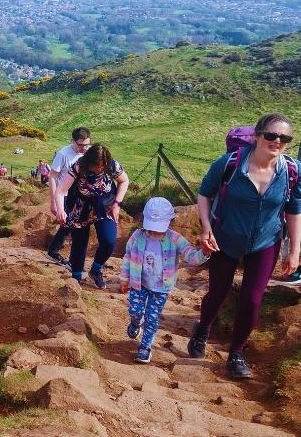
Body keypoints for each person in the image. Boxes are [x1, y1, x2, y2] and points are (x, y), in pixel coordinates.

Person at [188, 113, 300, 380]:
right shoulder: (230, 164)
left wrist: (295, 250)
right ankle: (203, 328)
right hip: (224, 238)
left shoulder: (292, 171)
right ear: (257, 136)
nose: (277, 141)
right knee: (218, 291)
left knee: (251, 300)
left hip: (266, 242)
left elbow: (294, 209)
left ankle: (237, 352)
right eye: (271, 135)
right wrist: (206, 228)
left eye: (284, 138)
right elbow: (204, 193)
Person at [119, 197, 209, 363]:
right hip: (139, 284)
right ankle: (135, 323)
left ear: (169, 222)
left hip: (161, 288)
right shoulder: (138, 236)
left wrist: (204, 253)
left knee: (152, 318)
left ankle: (145, 347)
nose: (156, 231)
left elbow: (190, 256)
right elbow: (128, 257)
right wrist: (124, 278)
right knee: (135, 311)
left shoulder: (174, 239)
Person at [54, 144, 129, 288]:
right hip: (81, 206)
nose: (100, 169)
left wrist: (117, 203)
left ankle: (96, 270)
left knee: (109, 240)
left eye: (102, 166)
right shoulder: (79, 166)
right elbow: (61, 190)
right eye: (96, 166)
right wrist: (61, 209)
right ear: (89, 162)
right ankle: (76, 279)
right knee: (79, 243)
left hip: (104, 205)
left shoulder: (112, 165)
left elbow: (124, 181)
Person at [47, 127, 92, 268]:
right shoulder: (63, 154)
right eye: (80, 145)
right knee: (69, 224)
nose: (83, 148)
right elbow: (53, 177)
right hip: (65, 195)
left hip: (82, 195)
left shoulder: (88, 153)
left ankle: (55, 252)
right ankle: (63, 256)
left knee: (69, 225)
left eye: (86, 145)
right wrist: (54, 200)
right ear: (72, 141)